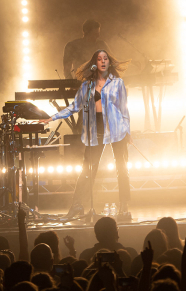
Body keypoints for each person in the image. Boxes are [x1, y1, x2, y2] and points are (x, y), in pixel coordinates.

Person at [40, 50, 132, 217]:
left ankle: (124, 206)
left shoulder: (118, 83)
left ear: (109, 62)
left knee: (122, 167)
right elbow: (74, 106)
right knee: (88, 168)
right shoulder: (87, 85)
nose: (103, 61)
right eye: (99, 59)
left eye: (105, 58)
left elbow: (124, 108)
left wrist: (128, 131)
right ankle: (77, 205)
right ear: (94, 63)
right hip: (97, 128)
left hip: (117, 128)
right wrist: (52, 117)